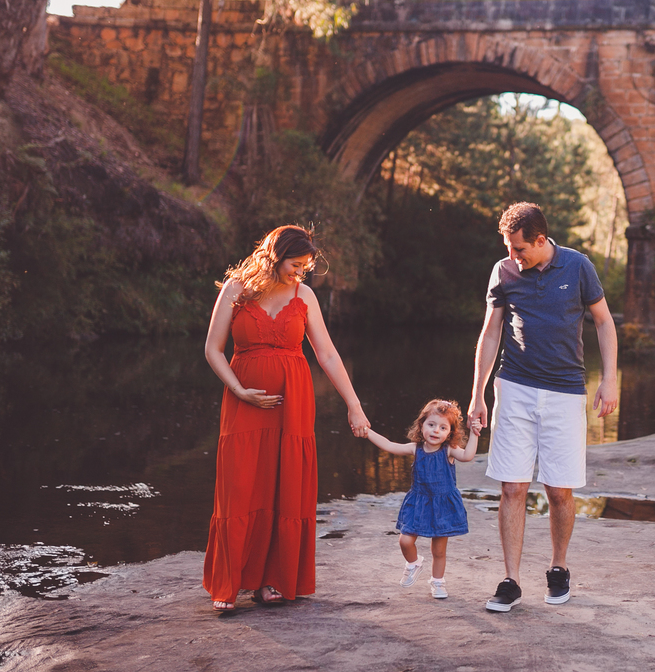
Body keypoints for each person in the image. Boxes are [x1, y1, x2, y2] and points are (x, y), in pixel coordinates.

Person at [202, 225, 370, 612]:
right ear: (275, 257)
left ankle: (272, 581)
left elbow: (327, 355)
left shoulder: (304, 295)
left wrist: (354, 404)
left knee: (286, 486)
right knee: (241, 486)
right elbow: (213, 349)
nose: (300, 273)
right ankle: (227, 586)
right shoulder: (237, 288)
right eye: (295, 265)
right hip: (244, 402)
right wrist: (239, 389)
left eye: (306, 267)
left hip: (293, 404)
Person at [469, 202, 618, 613]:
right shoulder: (503, 271)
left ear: (540, 240)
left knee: (558, 489)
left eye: (519, 249)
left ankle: (558, 568)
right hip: (514, 386)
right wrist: (477, 393)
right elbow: (490, 331)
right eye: (508, 248)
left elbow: (604, 322)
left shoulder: (578, 267)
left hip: (566, 391)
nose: (513, 257)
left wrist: (609, 378)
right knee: (512, 486)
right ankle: (511, 580)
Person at [358, 399, 481, 599]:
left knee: (438, 550)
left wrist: (475, 434)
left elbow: (467, 456)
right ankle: (414, 563)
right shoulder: (416, 449)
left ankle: (438, 582)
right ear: (421, 424)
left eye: (442, 427)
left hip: (442, 506)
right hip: (419, 503)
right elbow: (389, 445)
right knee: (405, 540)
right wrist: (367, 431)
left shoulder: (448, 451)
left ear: (449, 432)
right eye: (431, 425)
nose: (435, 431)